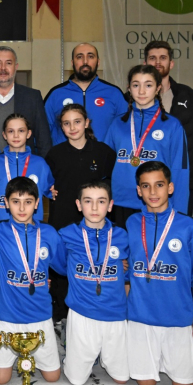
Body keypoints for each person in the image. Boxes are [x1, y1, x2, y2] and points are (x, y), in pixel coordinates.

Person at [126, 161, 193, 385]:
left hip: (177, 316)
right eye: (146, 186)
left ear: (170, 188)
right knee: (146, 383)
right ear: (139, 190)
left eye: (159, 185)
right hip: (141, 317)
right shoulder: (132, 223)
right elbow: (125, 266)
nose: (153, 192)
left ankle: (167, 359)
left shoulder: (187, 226)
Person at [0, 177, 65, 385]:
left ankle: (27, 354)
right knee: (1, 379)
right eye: (16, 201)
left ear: (37, 203)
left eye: (28, 202)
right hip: (6, 316)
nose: (22, 208)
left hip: (39, 315)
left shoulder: (48, 233)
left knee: (53, 377)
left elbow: (64, 266)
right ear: (6, 203)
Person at [45, 104, 116, 323]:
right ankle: (60, 315)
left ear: (86, 123)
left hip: (93, 221)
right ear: (61, 127)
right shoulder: (54, 154)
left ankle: (92, 310)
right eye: (66, 123)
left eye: (77, 122)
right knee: (62, 266)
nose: (72, 127)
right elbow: (45, 184)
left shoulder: (103, 152)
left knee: (91, 266)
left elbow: (111, 185)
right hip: (63, 219)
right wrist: (47, 190)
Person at [56, 181, 130, 385]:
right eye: (88, 201)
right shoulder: (67, 235)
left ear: (110, 205)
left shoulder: (122, 236)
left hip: (114, 314)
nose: (95, 207)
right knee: (77, 380)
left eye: (101, 201)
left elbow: (128, 272)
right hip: (82, 313)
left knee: (122, 379)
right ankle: (72, 342)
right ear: (79, 205)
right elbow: (61, 266)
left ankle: (102, 354)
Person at [104, 65, 190, 226]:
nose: (141, 91)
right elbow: (104, 166)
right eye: (136, 85)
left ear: (158, 88)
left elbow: (180, 171)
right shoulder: (117, 124)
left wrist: (180, 214)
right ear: (129, 89)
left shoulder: (172, 126)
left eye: (148, 85)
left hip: (156, 203)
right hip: (119, 203)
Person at [144, 40, 193, 215]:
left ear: (171, 63)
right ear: (145, 63)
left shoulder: (188, 96)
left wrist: (189, 162)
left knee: (180, 225)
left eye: (163, 58)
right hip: (145, 177)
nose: (157, 62)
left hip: (181, 178)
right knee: (145, 226)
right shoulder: (133, 97)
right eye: (152, 58)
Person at [0, 46, 52, 157]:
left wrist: (43, 166)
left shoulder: (32, 97)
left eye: (8, 63)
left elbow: (44, 141)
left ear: (16, 67)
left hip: (24, 165)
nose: (3, 68)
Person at [45, 43, 129, 146]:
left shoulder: (114, 93)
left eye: (90, 56)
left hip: (104, 155)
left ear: (98, 62)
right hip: (64, 155)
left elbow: (126, 130)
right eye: (79, 57)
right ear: (72, 63)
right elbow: (42, 133)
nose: (85, 61)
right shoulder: (56, 94)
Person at [0, 114, 55, 225]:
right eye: (11, 131)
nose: (16, 135)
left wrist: (53, 192)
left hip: (31, 226)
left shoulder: (40, 164)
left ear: (28, 134)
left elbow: (51, 191)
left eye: (21, 131)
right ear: (4, 135)